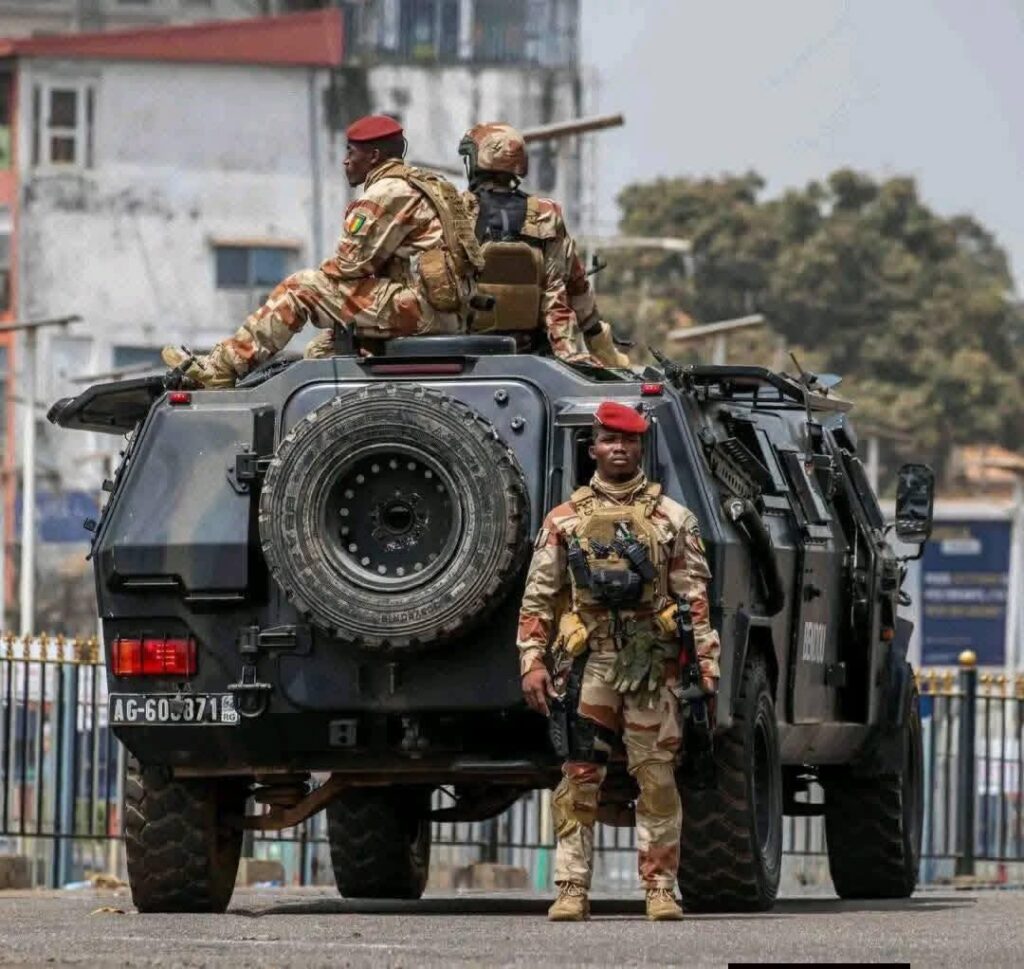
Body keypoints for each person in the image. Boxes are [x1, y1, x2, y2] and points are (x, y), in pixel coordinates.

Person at [517, 400, 720, 921]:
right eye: (610, 440)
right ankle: (571, 887)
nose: (619, 449)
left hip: (652, 663)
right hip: (592, 663)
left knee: (657, 777)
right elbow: (539, 597)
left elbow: (695, 601)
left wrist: (705, 667)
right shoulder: (564, 520)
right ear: (594, 448)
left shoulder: (674, 519)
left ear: (640, 447)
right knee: (579, 774)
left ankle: (660, 888)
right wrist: (532, 661)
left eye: (628, 441)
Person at [163, 114, 482, 387]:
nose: (345, 160)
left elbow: (348, 265)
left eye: (351, 151)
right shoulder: (428, 185)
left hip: (420, 311)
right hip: (446, 314)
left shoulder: (387, 192)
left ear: (373, 156)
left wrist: (322, 283)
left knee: (301, 288)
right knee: (321, 352)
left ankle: (222, 368)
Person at [457, 122, 629, 367]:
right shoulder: (546, 213)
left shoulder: (455, 210)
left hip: (466, 350)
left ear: (479, 159)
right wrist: (600, 345)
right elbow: (574, 284)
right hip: (536, 354)